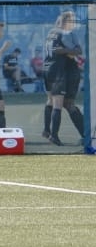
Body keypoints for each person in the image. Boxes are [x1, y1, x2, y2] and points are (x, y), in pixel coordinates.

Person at [45, 11, 85, 146]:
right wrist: (72, 51)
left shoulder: (51, 32)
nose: (74, 24)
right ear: (65, 21)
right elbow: (76, 52)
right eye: (72, 21)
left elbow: (72, 53)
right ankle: (54, 135)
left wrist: (64, 51)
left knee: (63, 103)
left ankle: (50, 132)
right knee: (62, 103)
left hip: (57, 71)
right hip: (62, 72)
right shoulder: (66, 34)